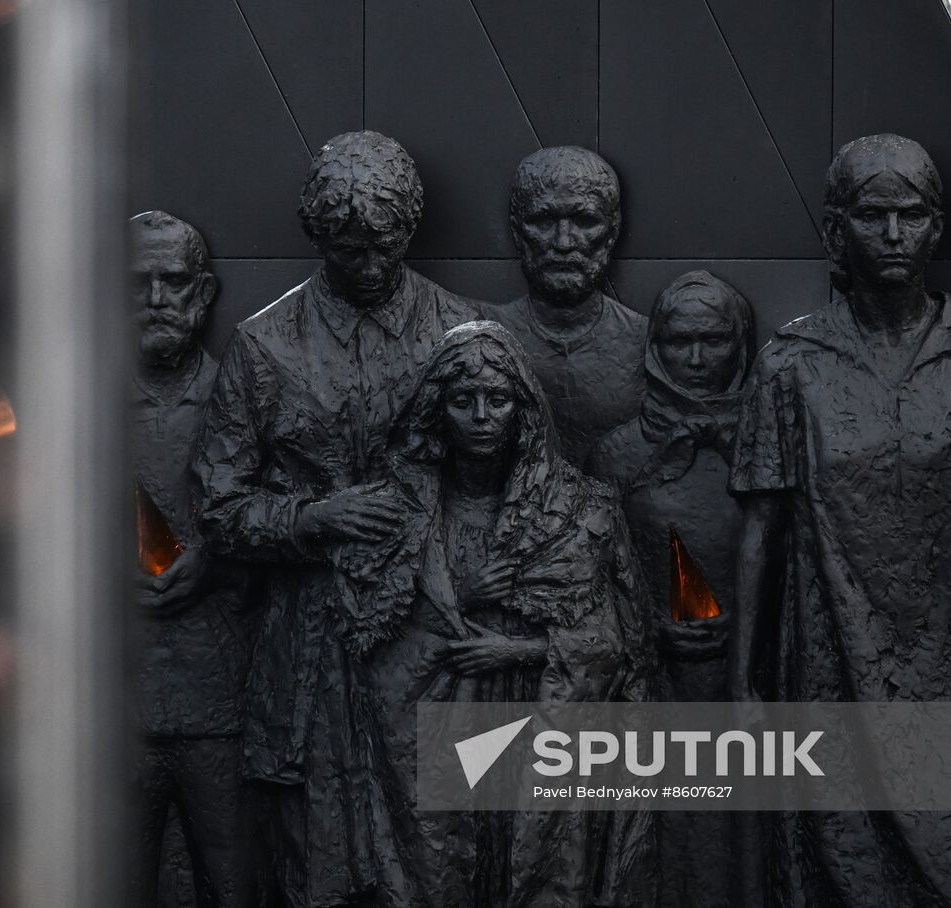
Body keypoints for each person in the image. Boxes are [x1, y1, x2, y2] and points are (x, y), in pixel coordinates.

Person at [728, 134, 951, 906]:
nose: (891, 235)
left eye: (909, 216)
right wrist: (743, 684)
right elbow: (760, 530)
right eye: (872, 216)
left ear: (936, 228)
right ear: (834, 229)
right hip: (832, 667)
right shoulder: (792, 365)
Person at [192, 131, 478, 908]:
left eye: (382, 245)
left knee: (433, 856)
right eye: (347, 247)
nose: (367, 263)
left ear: (408, 230)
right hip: (308, 652)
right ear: (316, 234)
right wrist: (311, 518)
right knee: (312, 864)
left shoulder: (461, 336)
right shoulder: (264, 346)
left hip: (429, 638)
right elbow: (217, 504)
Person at [331, 321, 653, 908]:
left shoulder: (579, 511)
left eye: (497, 399)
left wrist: (522, 651)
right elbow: (369, 656)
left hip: (543, 731)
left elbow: (615, 644)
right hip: (438, 739)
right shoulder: (394, 517)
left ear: (522, 409)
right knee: (444, 869)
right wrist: (460, 595)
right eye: (463, 400)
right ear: (437, 409)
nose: (481, 415)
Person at [587, 270, 757, 908]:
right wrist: (645, 628)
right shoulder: (616, 455)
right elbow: (587, 577)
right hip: (645, 689)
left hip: (745, 687)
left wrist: (744, 624)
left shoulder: (770, 446)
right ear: (654, 345)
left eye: (712, 341)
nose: (695, 359)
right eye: (679, 340)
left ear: (739, 346)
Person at [127, 211, 254, 906]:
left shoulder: (243, 396)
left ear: (202, 295)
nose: (156, 300)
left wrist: (215, 556)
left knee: (229, 882)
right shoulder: (80, 408)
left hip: (218, 696)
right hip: (117, 699)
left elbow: (278, 523)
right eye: (137, 283)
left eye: (172, 282)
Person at [492, 146, 647, 465]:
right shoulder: (485, 337)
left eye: (585, 221)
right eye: (543, 220)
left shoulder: (648, 344)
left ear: (612, 231)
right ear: (518, 230)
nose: (564, 242)